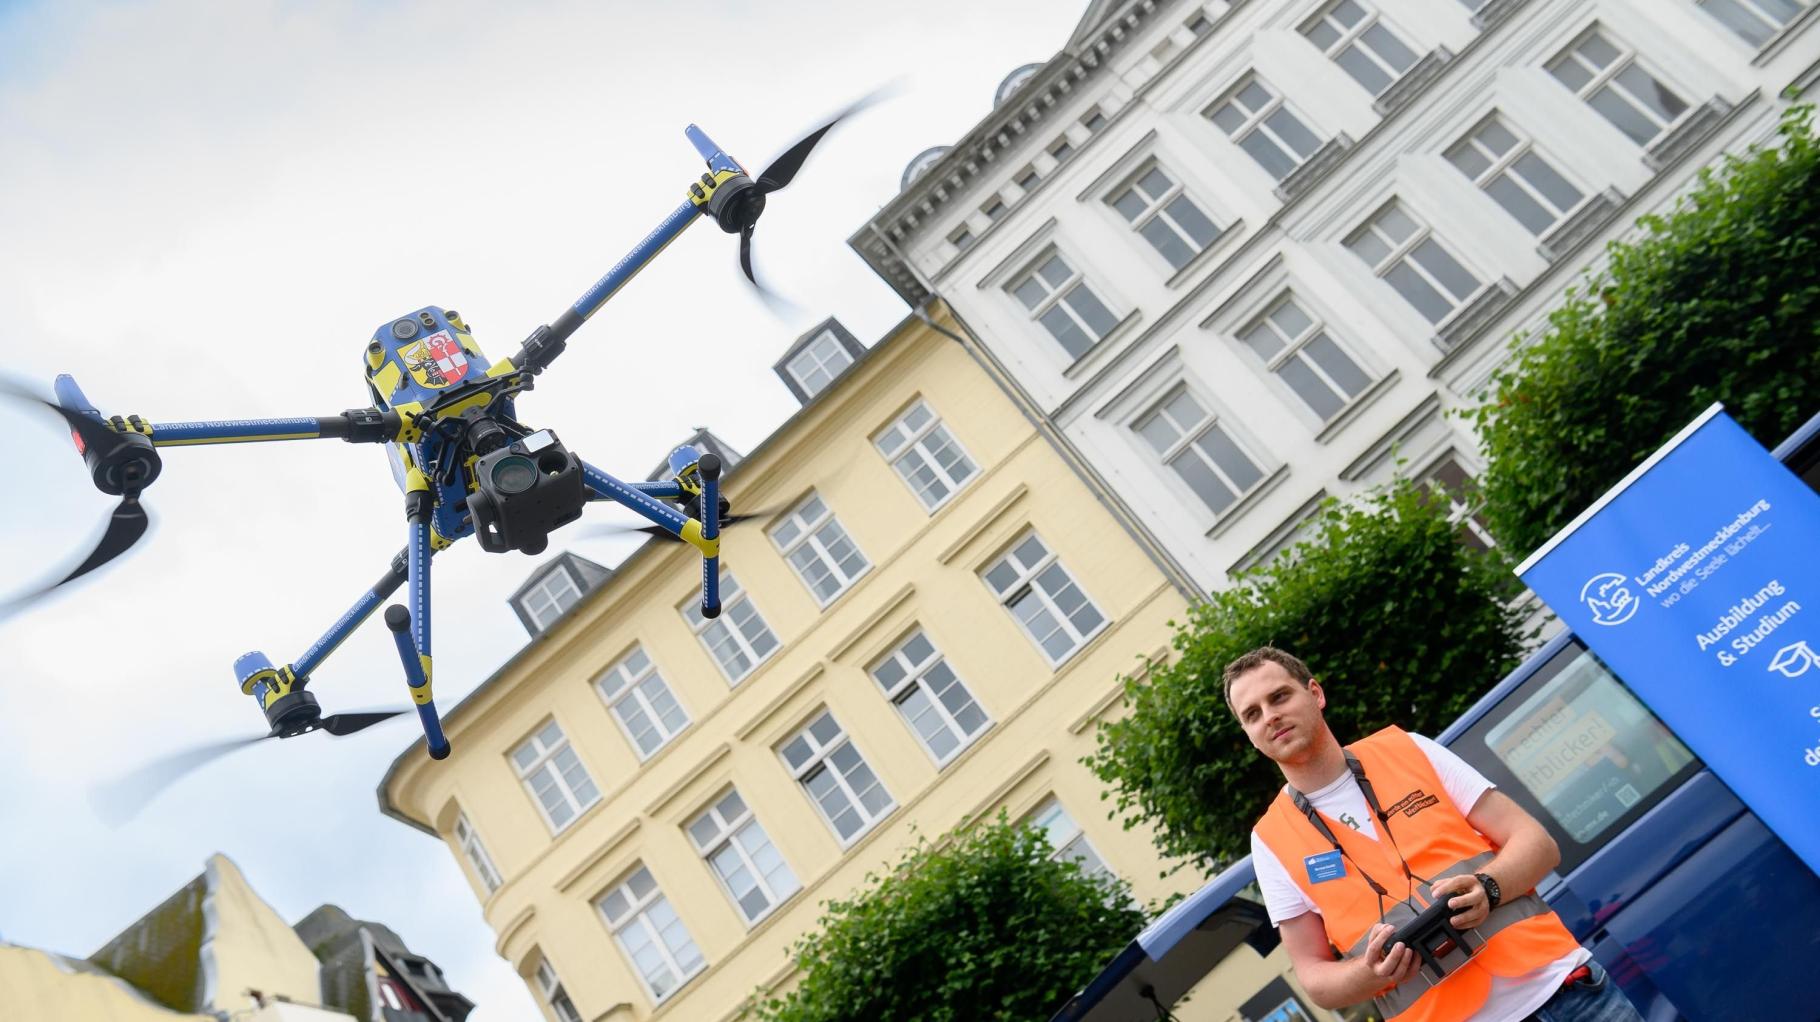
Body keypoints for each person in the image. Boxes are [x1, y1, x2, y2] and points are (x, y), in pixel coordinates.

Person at [1227, 647, 1644, 1022]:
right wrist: (1368, 973)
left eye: (1279, 696)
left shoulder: (1407, 748)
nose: (1270, 716)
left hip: (1567, 993)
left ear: (1315, 694)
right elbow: (1315, 979)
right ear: (1249, 736)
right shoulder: (1270, 841)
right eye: (1252, 714)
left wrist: (1488, 888)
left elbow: (1537, 844)